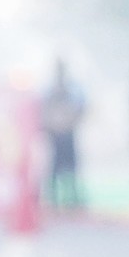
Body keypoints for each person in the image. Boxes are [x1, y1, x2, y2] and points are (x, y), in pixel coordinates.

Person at [43, 58, 86, 211]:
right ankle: (54, 200)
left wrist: (70, 122)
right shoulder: (50, 89)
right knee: (56, 169)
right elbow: (44, 111)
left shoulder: (71, 88)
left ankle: (72, 199)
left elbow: (81, 107)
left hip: (67, 133)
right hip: (56, 135)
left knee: (70, 169)